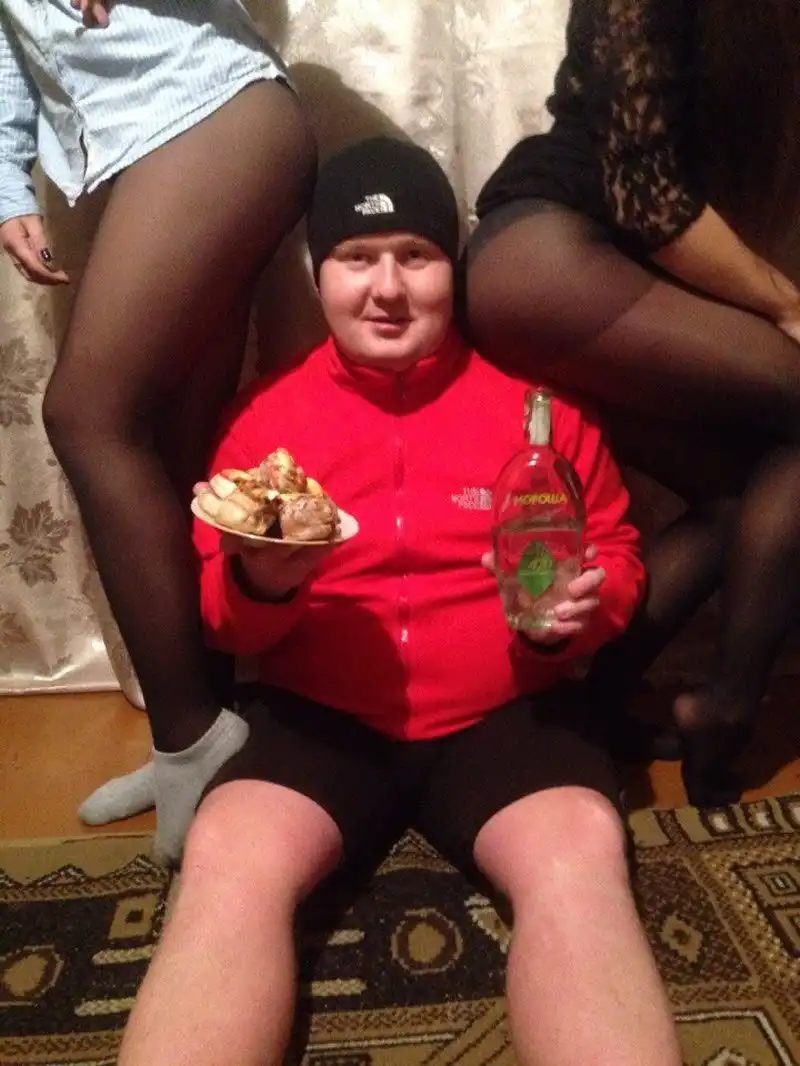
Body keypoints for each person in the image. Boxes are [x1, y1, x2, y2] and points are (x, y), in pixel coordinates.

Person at [116, 136, 681, 1066]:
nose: (387, 288)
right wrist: (263, 582)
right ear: (319, 276)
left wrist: (590, 609)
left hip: (507, 713)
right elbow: (221, 617)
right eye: (356, 258)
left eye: (415, 255)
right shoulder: (264, 421)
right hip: (322, 716)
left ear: (451, 266)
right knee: (225, 854)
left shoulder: (540, 413)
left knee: (582, 853)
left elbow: (615, 552)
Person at [0, 0, 317, 860]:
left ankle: (191, 740)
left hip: (215, 111)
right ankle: (214, 732)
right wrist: (6, 185)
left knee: (86, 417)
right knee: (171, 447)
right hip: (141, 149)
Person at [463, 0, 800, 806]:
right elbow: (646, 198)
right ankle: (727, 706)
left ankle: (595, 704)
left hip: (581, 271)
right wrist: (786, 303)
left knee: (737, 493)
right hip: (542, 257)